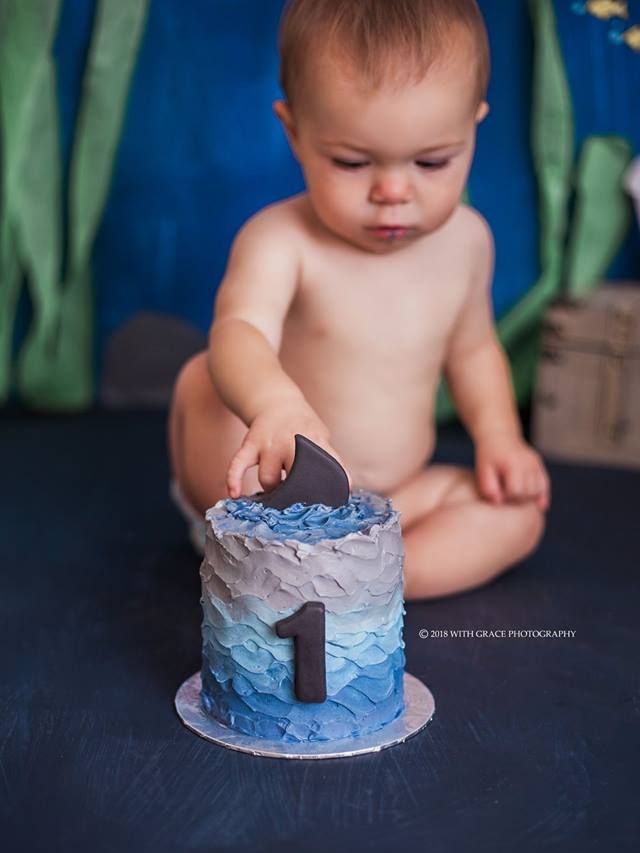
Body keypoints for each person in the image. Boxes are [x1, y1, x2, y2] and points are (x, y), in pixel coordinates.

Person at [168, 0, 551, 600]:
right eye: (351, 162)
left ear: (473, 127)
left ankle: (365, 580)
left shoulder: (469, 241)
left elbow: (475, 350)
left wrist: (501, 436)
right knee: (205, 379)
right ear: (295, 132)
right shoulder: (281, 239)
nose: (394, 191)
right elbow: (239, 327)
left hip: (393, 495)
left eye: (432, 161)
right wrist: (276, 406)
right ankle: (257, 546)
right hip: (274, 494)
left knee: (517, 518)